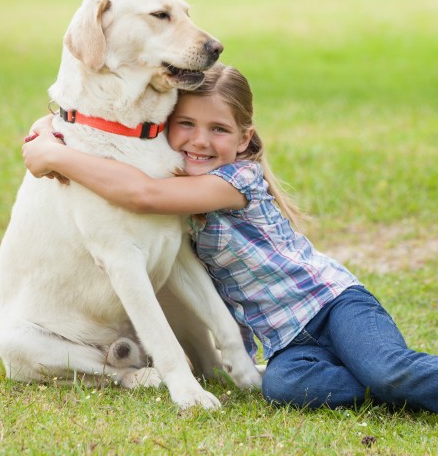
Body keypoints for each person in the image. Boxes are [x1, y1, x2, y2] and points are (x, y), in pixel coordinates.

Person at [23, 63, 438, 413]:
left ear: (244, 139)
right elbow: (131, 172)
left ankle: (387, 380)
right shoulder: (178, 180)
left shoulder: (236, 179)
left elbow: (141, 194)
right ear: (165, 127)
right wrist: (56, 124)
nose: (200, 140)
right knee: (284, 387)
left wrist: (58, 155)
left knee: (388, 369)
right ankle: (378, 388)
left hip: (334, 306)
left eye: (219, 129)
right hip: (286, 341)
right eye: (186, 124)